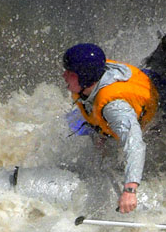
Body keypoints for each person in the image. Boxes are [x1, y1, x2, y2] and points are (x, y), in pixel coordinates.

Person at [62, 43, 159, 213]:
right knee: (73, 123)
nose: (63, 76)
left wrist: (130, 190)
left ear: (84, 77)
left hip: (161, 107)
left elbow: (135, 144)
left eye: (69, 73)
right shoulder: (91, 80)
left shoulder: (114, 108)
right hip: (147, 83)